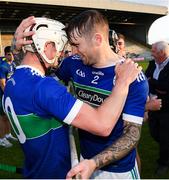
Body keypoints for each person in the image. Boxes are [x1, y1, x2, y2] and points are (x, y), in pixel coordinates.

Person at [3, 17, 140, 179]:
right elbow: (102, 125)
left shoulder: (14, 80)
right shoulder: (45, 87)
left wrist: (16, 50)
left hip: (35, 167)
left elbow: (132, 134)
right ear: (46, 46)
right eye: (61, 45)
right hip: (55, 172)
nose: (64, 53)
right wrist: (122, 82)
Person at [145, 41, 169, 176]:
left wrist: (152, 82)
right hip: (153, 106)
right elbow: (145, 77)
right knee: (155, 133)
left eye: (154, 51)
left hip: (166, 108)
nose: (151, 53)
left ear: (162, 53)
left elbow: (166, 87)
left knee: (165, 137)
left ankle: (164, 163)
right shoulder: (152, 63)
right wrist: (157, 85)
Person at [0, 46, 17, 147]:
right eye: (10, 54)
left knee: (8, 116)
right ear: (6, 55)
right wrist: (8, 96)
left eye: (13, 54)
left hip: (10, 95)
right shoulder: (3, 66)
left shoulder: (13, 64)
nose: (12, 56)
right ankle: (1, 138)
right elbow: (2, 84)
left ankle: (8, 134)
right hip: (3, 95)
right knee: (2, 117)